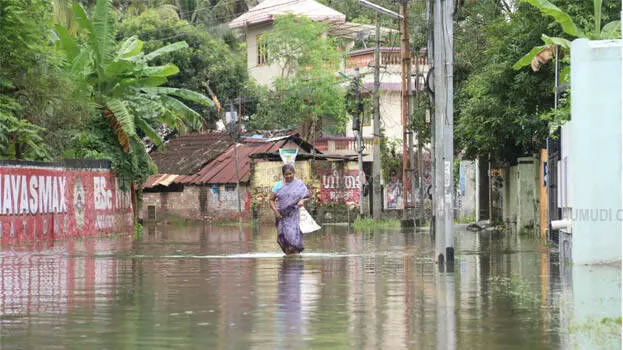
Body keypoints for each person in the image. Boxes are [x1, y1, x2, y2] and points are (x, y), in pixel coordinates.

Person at [269, 164, 310, 255]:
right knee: (282, 239)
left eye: (290, 174)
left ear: (294, 173)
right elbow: (271, 200)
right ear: (283, 175)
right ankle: (289, 259)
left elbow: (307, 197)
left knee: (293, 238)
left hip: (294, 215)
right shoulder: (278, 185)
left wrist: (302, 201)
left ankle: (294, 261)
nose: (288, 176)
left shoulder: (299, 184)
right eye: (286, 174)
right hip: (281, 216)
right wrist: (275, 212)